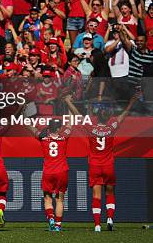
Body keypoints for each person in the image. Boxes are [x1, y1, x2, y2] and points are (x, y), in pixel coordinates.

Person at [65, 93, 138, 232]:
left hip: (95, 166)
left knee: (96, 196)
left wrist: (68, 102)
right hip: (108, 165)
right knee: (110, 193)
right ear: (108, 118)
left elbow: (77, 114)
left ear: (96, 117)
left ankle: (97, 225)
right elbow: (124, 114)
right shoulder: (112, 127)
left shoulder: (91, 127)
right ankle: (110, 218)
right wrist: (132, 102)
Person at [26, 118, 71, 232]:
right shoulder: (64, 137)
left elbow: (31, 128)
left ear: (49, 127)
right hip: (62, 171)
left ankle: (51, 218)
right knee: (59, 200)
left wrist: (23, 115)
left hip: (48, 172)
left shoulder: (43, 138)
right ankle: (58, 225)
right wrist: (69, 106)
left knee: (47, 199)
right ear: (59, 128)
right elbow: (70, 125)